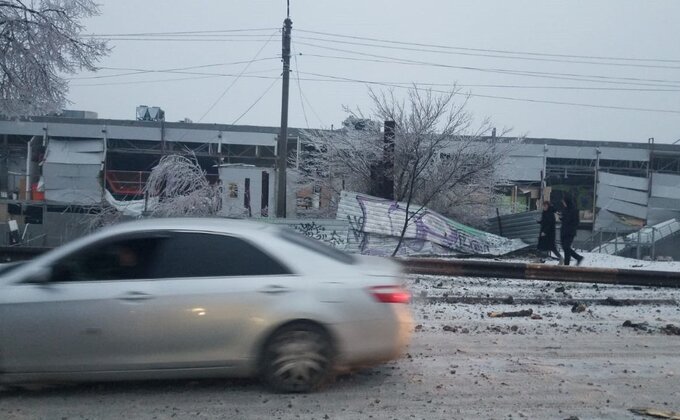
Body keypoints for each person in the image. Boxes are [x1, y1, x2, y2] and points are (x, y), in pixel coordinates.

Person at [559, 194, 584, 266]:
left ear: (567, 201)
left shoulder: (574, 210)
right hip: (564, 231)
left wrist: (566, 220)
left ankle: (576, 258)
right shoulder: (565, 209)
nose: (563, 203)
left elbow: (575, 221)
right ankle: (569, 263)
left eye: (564, 202)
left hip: (570, 232)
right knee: (565, 248)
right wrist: (561, 217)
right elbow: (564, 219)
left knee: (566, 247)